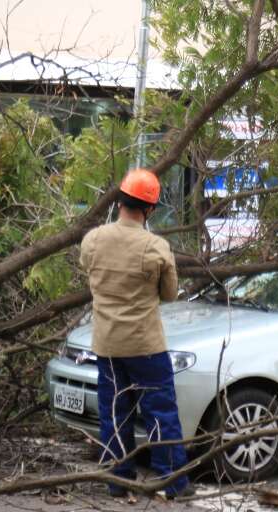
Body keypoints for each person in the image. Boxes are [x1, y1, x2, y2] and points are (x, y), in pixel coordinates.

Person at [79, 168, 193, 499]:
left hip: (108, 345)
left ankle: (119, 480)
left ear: (119, 202)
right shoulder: (155, 247)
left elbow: (88, 268)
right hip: (145, 346)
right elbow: (170, 294)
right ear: (150, 209)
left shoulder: (93, 240)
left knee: (115, 412)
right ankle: (171, 483)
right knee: (160, 412)